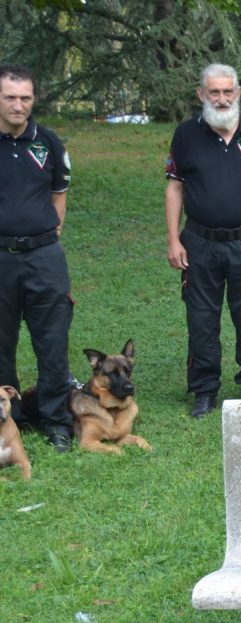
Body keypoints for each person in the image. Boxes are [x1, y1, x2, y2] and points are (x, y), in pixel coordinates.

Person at [165, 62, 241, 418]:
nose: (221, 98)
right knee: (201, 318)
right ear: (201, 94)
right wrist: (173, 239)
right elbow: (174, 188)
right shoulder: (186, 134)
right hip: (198, 241)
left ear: (238, 93)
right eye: (213, 92)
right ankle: (204, 390)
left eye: (227, 91)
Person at [0, 64, 74, 452]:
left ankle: (56, 421)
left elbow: (59, 192)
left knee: (52, 341)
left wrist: (51, 231)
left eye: (25, 98)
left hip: (44, 257)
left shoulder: (48, 143)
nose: (18, 105)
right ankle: (9, 418)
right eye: (10, 97)